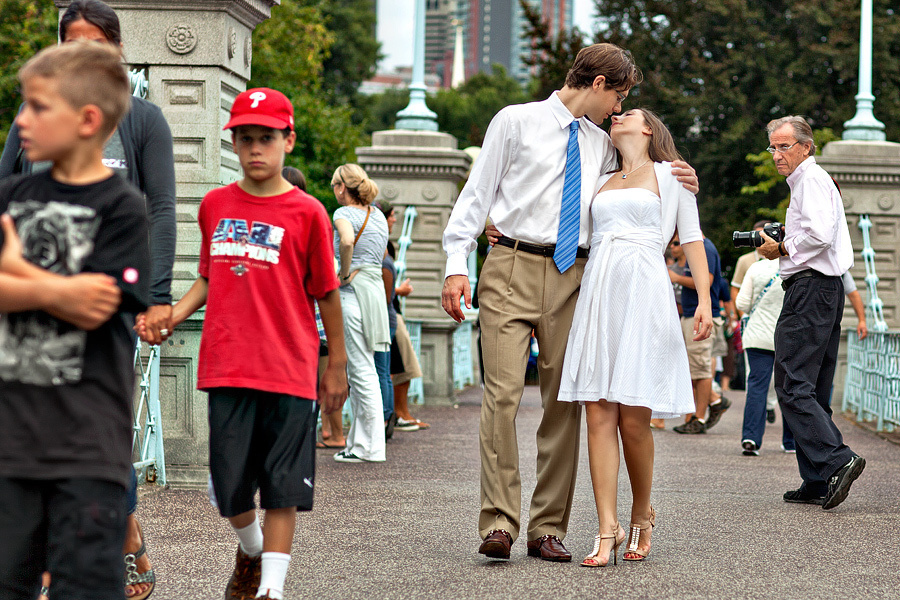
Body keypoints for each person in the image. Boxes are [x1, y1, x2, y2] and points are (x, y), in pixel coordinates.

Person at [441, 43, 699, 562]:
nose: (619, 109)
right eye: (619, 95)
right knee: (504, 394)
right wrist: (454, 264)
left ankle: (546, 528)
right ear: (601, 84)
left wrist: (682, 172)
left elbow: (641, 175)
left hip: (576, 275)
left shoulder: (602, 144)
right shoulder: (514, 121)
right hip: (510, 264)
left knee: (564, 400)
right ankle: (498, 522)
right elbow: (476, 194)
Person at [137, 87, 349, 600]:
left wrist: (336, 362)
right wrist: (170, 315)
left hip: (290, 367)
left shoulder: (308, 213)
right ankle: (251, 548)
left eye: (267, 138)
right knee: (228, 488)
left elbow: (326, 292)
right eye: (245, 138)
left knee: (282, 486)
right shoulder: (215, 205)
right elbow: (208, 277)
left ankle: (271, 589)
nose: (256, 148)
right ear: (234, 141)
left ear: (288, 141)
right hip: (227, 364)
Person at [0, 4, 177, 595]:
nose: (23, 118)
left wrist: (17, 275)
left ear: (87, 117)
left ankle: (129, 543)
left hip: (87, 436)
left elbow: (99, 300)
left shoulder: (124, 192)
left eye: (37, 106)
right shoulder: (14, 191)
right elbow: (74, 293)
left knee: (83, 582)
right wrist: (59, 288)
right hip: (13, 434)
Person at [558, 108, 711, 567]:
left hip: (644, 290)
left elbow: (694, 238)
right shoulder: (597, 176)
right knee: (598, 413)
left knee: (633, 420)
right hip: (600, 293)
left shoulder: (672, 175)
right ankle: (607, 528)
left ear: (648, 129)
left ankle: (641, 513)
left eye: (629, 113)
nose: (617, 114)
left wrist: (704, 298)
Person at [757, 115, 864, 510]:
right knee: (813, 387)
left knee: (791, 383)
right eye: (773, 147)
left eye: (784, 146)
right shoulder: (810, 181)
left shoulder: (811, 180)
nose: (777, 154)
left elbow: (819, 235)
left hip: (811, 288)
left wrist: (780, 249)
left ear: (806, 146)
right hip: (822, 289)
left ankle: (837, 461)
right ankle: (818, 478)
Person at [331, 163, 390, 463]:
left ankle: (371, 448)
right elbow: (379, 255)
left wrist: (343, 271)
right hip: (374, 292)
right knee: (366, 366)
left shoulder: (342, 214)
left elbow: (346, 240)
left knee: (361, 369)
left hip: (353, 293)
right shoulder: (378, 215)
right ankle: (358, 443)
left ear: (343, 187)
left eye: (334, 186)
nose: (334, 191)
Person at [375, 199, 428, 432]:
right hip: (388, 314)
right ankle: (395, 415)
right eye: (391, 215)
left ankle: (399, 414)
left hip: (391, 312)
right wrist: (399, 290)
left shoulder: (385, 244)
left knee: (402, 366)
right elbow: (374, 282)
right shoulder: (376, 244)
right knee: (396, 367)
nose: (395, 219)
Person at [671, 234, 731, 434]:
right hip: (690, 314)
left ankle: (698, 418)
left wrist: (676, 278)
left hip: (701, 314)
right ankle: (714, 401)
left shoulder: (705, 247)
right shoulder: (697, 246)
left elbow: (708, 280)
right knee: (694, 367)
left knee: (700, 370)